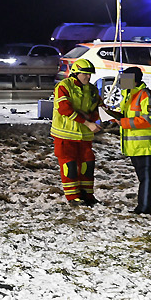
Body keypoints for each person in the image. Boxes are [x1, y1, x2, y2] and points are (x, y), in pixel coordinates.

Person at [51, 56, 105, 204]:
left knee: (88, 164)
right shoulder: (63, 86)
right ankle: (73, 197)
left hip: (84, 137)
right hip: (65, 135)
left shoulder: (92, 89)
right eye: (85, 74)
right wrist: (88, 123)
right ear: (75, 73)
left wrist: (116, 118)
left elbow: (99, 108)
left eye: (89, 74)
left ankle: (88, 196)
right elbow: (64, 109)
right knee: (70, 166)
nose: (88, 77)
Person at [110, 66, 151, 212]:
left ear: (133, 80)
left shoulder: (145, 95)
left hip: (145, 145)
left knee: (145, 177)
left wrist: (124, 122)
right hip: (136, 145)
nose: (121, 82)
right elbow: (129, 116)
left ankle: (144, 207)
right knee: (144, 177)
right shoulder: (130, 95)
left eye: (124, 79)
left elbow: (149, 119)